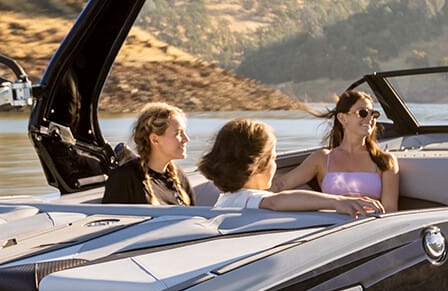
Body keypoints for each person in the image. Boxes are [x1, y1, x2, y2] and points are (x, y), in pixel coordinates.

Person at [198, 119, 383, 216]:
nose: (275, 165)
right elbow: (278, 201)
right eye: (273, 158)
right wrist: (336, 202)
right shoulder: (248, 199)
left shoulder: (226, 200)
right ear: (256, 166)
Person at [271, 89, 400, 211]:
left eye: (373, 114)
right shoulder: (322, 158)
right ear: (342, 118)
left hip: (368, 227)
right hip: (331, 228)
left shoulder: (385, 161)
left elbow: (389, 210)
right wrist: (252, 194)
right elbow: (281, 185)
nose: (370, 118)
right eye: (363, 113)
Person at [102, 102, 193, 205]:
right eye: (178, 133)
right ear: (154, 139)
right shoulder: (124, 178)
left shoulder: (179, 176)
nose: (187, 139)